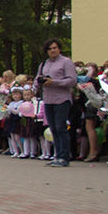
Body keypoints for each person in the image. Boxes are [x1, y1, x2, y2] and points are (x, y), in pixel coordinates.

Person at [37, 39, 77, 167]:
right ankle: (57, 155)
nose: (52, 50)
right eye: (50, 49)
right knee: (53, 129)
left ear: (59, 48)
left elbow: (72, 81)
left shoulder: (66, 62)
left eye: (54, 48)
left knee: (61, 128)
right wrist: (40, 82)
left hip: (62, 99)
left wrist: (54, 82)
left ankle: (64, 157)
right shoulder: (44, 64)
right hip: (48, 99)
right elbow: (37, 78)